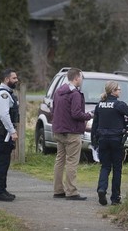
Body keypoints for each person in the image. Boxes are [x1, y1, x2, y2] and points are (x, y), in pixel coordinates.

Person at [52, 68, 93, 200]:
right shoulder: (75, 94)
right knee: (71, 162)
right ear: (76, 78)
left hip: (59, 131)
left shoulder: (59, 92)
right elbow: (76, 113)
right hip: (72, 132)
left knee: (60, 160)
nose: (82, 80)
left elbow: (54, 109)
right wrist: (89, 115)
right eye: (81, 77)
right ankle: (71, 191)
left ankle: (58, 190)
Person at [0, 68, 19, 202]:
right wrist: (12, 131)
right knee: (2, 161)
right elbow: (4, 115)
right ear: (7, 79)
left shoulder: (6, 93)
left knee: (4, 161)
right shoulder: (3, 95)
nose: (16, 80)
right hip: (2, 132)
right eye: (14, 78)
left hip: (2, 131)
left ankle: (2, 189)